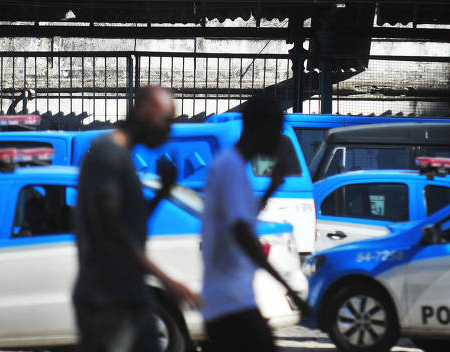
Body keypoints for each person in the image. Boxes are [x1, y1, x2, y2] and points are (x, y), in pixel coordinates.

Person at [73, 86, 199, 352]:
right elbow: (111, 230)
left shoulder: (122, 157)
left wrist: (162, 194)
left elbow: (129, 225)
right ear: (143, 111)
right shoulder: (106, 154)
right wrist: (167, 281)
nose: (168, 130)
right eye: (166, 120)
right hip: (107, 301)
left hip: (131, 297)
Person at [201, 93, 311, 352]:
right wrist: (289, 289)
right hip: (231, 304)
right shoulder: (231, 168)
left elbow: (243, 219)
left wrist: (272, 188)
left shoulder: (232, 167)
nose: (279, 138)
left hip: (229, 302)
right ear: (261, 126)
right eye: (277, 128)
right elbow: (242, 234)